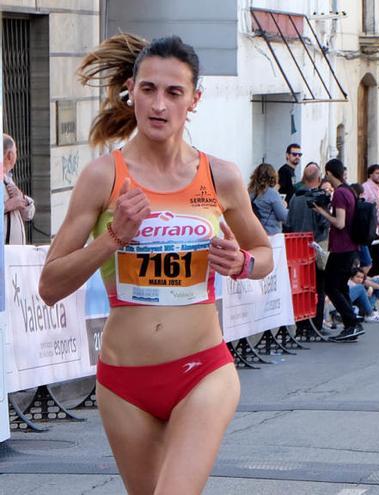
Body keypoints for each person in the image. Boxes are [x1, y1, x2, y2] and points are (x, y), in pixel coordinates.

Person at [38, 34, 274, 494]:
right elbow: (49, 284)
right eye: (148, 89)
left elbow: (264, 256)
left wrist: (242, 262)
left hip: (203, 370)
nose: (159, 104)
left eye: (173, 92)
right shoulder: (103, 176)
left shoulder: (220, 176)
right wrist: (113, 238)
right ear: (131, 90)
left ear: (194, 100)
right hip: (124, 383)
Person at [312, 158, 365, 342]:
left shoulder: (340, 194)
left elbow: (340, 223)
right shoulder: (349, 190)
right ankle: (352, 325)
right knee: (341, 287)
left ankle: (351, 323)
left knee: (331, 287)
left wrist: (322, 212)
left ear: (328, 173)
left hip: (342, 247)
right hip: (350, 247)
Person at [286, 162, 330, 335]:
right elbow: (324, 223)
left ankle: (302, 324)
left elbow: (288, 224)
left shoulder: (295, 198)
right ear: (318, 179)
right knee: (317, 287)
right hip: (314, 247)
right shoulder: (319, 198)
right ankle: (315, 325)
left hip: (296, 249)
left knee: (300, 288)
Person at [3, 134, 35, 245]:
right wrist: (7, 206)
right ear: (10, 155)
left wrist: (21, 198)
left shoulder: (8, 178)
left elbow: (29, 214)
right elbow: (10, 206)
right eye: (16, 152)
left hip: (14, 254)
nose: (17, 155)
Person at [248, 163, 288, 235]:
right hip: (271, 234)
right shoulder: (272, 193)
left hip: (254, 234)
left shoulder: (250, 193)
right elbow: (283, 216)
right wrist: (284, 206)